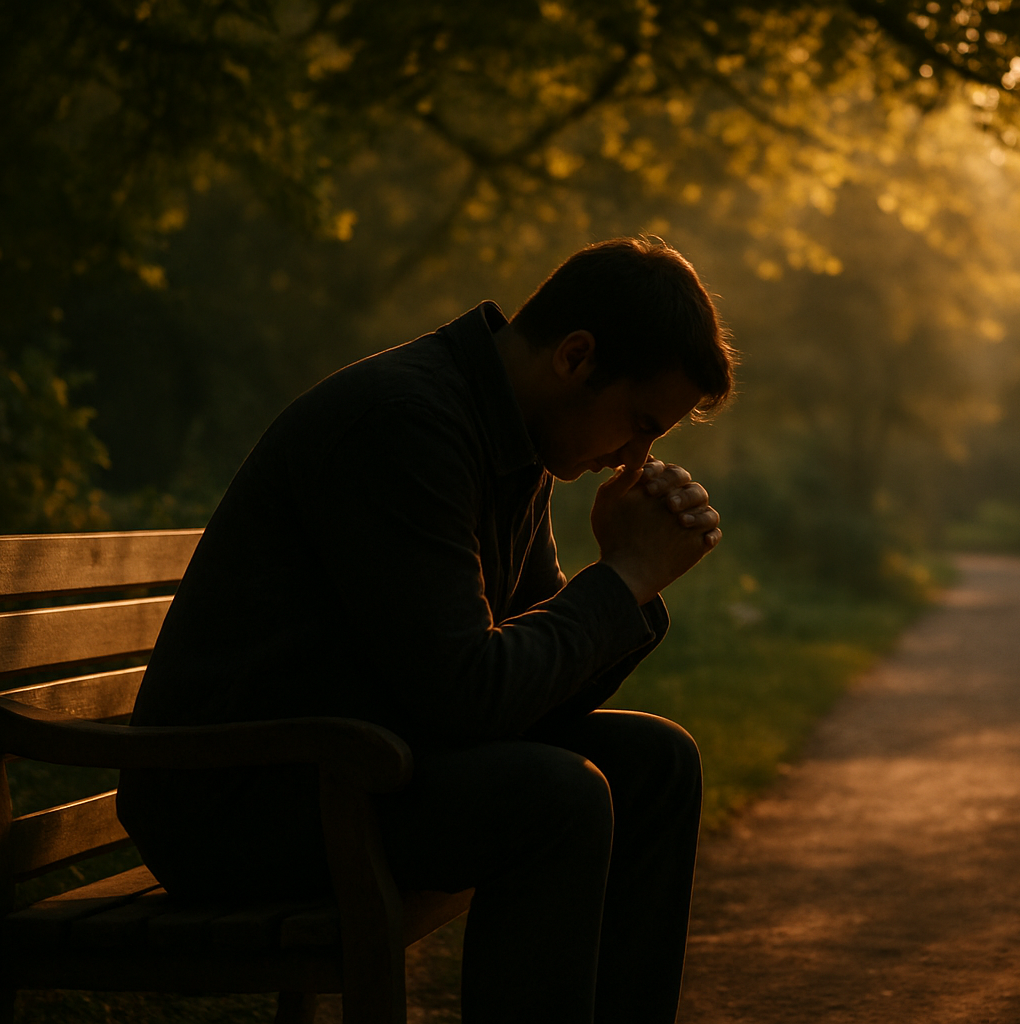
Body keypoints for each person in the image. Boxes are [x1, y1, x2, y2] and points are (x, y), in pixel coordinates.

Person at [117, 236, 738, 1023]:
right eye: (639, 424)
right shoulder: (406, 423)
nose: (634, 458)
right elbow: (468, 698)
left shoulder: (514, 434)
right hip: (239, 801)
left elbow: (526, 692)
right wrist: (623, 578)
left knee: (657, 763)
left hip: (356, 765)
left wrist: (625, 578)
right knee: (555, 798)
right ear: (576, 357)